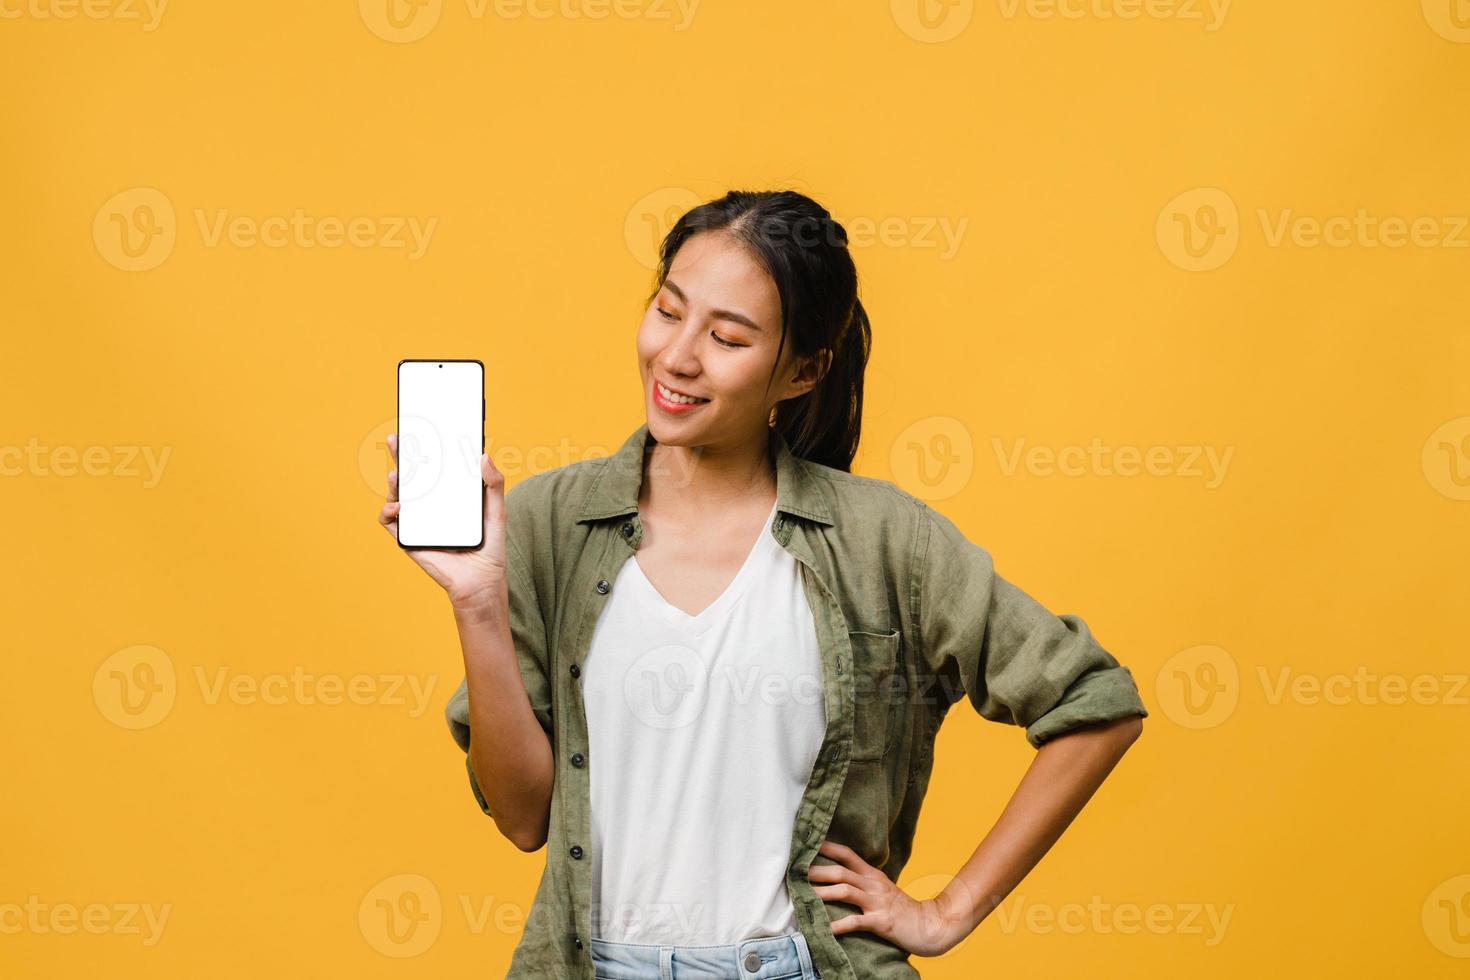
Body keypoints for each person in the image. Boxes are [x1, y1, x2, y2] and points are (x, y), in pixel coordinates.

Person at [377, 189, 1149, 979]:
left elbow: (1093, 703)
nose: (678, 356)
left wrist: (948, 910)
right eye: (668, 311)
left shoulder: (882, 539)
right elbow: (522, 817)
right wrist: (475, 604)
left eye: (728, 337)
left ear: (803, 371)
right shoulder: (545, 524)